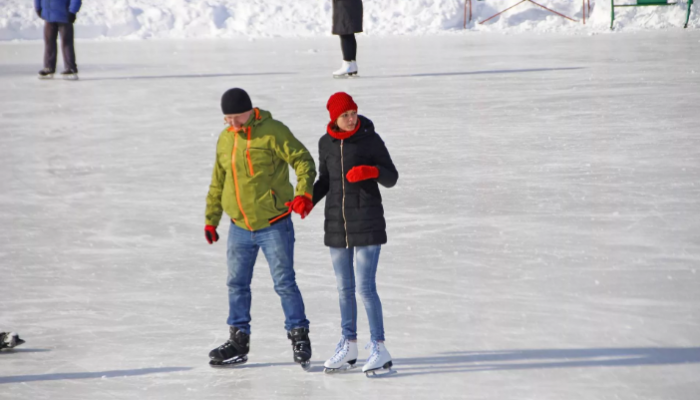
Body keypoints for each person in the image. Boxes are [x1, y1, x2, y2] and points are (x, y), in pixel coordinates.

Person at [204, 88, 317, 369]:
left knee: (284, 283)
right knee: (236, 284)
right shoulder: (225, 139)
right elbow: (218, 180)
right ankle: (238, 341)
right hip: (239, 227)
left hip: (273, 223)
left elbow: (302, 159)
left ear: (250, 111)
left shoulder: (272, 131)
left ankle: (299, 335)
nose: (233, 124)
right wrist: (211, 218)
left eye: (237, 117)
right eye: (227, 119)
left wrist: (304, 193)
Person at [313, 92, 399, 374]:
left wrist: (371, 171)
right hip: (337, 225)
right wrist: (307, 200)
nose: (352, 119)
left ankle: (379, 347)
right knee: (343, 290)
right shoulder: (325, 143)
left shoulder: (370, 139)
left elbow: (392, 176)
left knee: (365, 288)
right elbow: (324, 181)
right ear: (334, 119)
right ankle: (349, 345)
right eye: (345, 115)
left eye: (354, 113)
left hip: (368, 222)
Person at [34, 0, 81, 80]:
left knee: (66, 43)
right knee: (49, 43)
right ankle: (48, 67)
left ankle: (70, 68)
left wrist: (72, 11)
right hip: (49, 17)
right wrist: (38, 8)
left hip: (64, 17)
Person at [332, 0, 363, 78]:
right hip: (349, 5)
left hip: (345, 6)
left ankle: (348, 64)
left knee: (345, 32)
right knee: (349, 34)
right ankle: (352, 64)